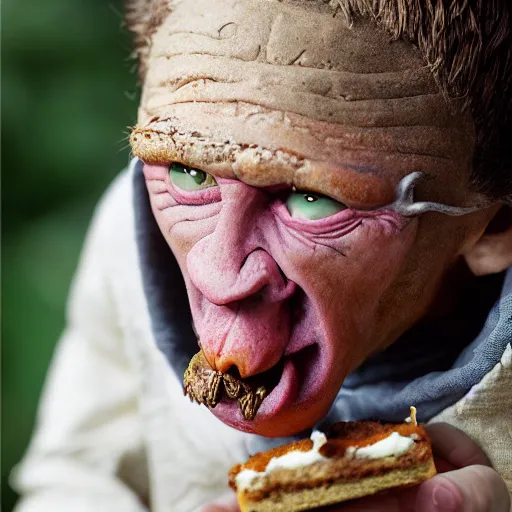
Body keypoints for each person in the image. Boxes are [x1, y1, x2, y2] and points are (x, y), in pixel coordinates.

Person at [12, 0, 512, 510]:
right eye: (191, 175)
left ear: (494, 226)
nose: (218, 273)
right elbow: (74, 477)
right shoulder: (132, 225)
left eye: (314, 199)